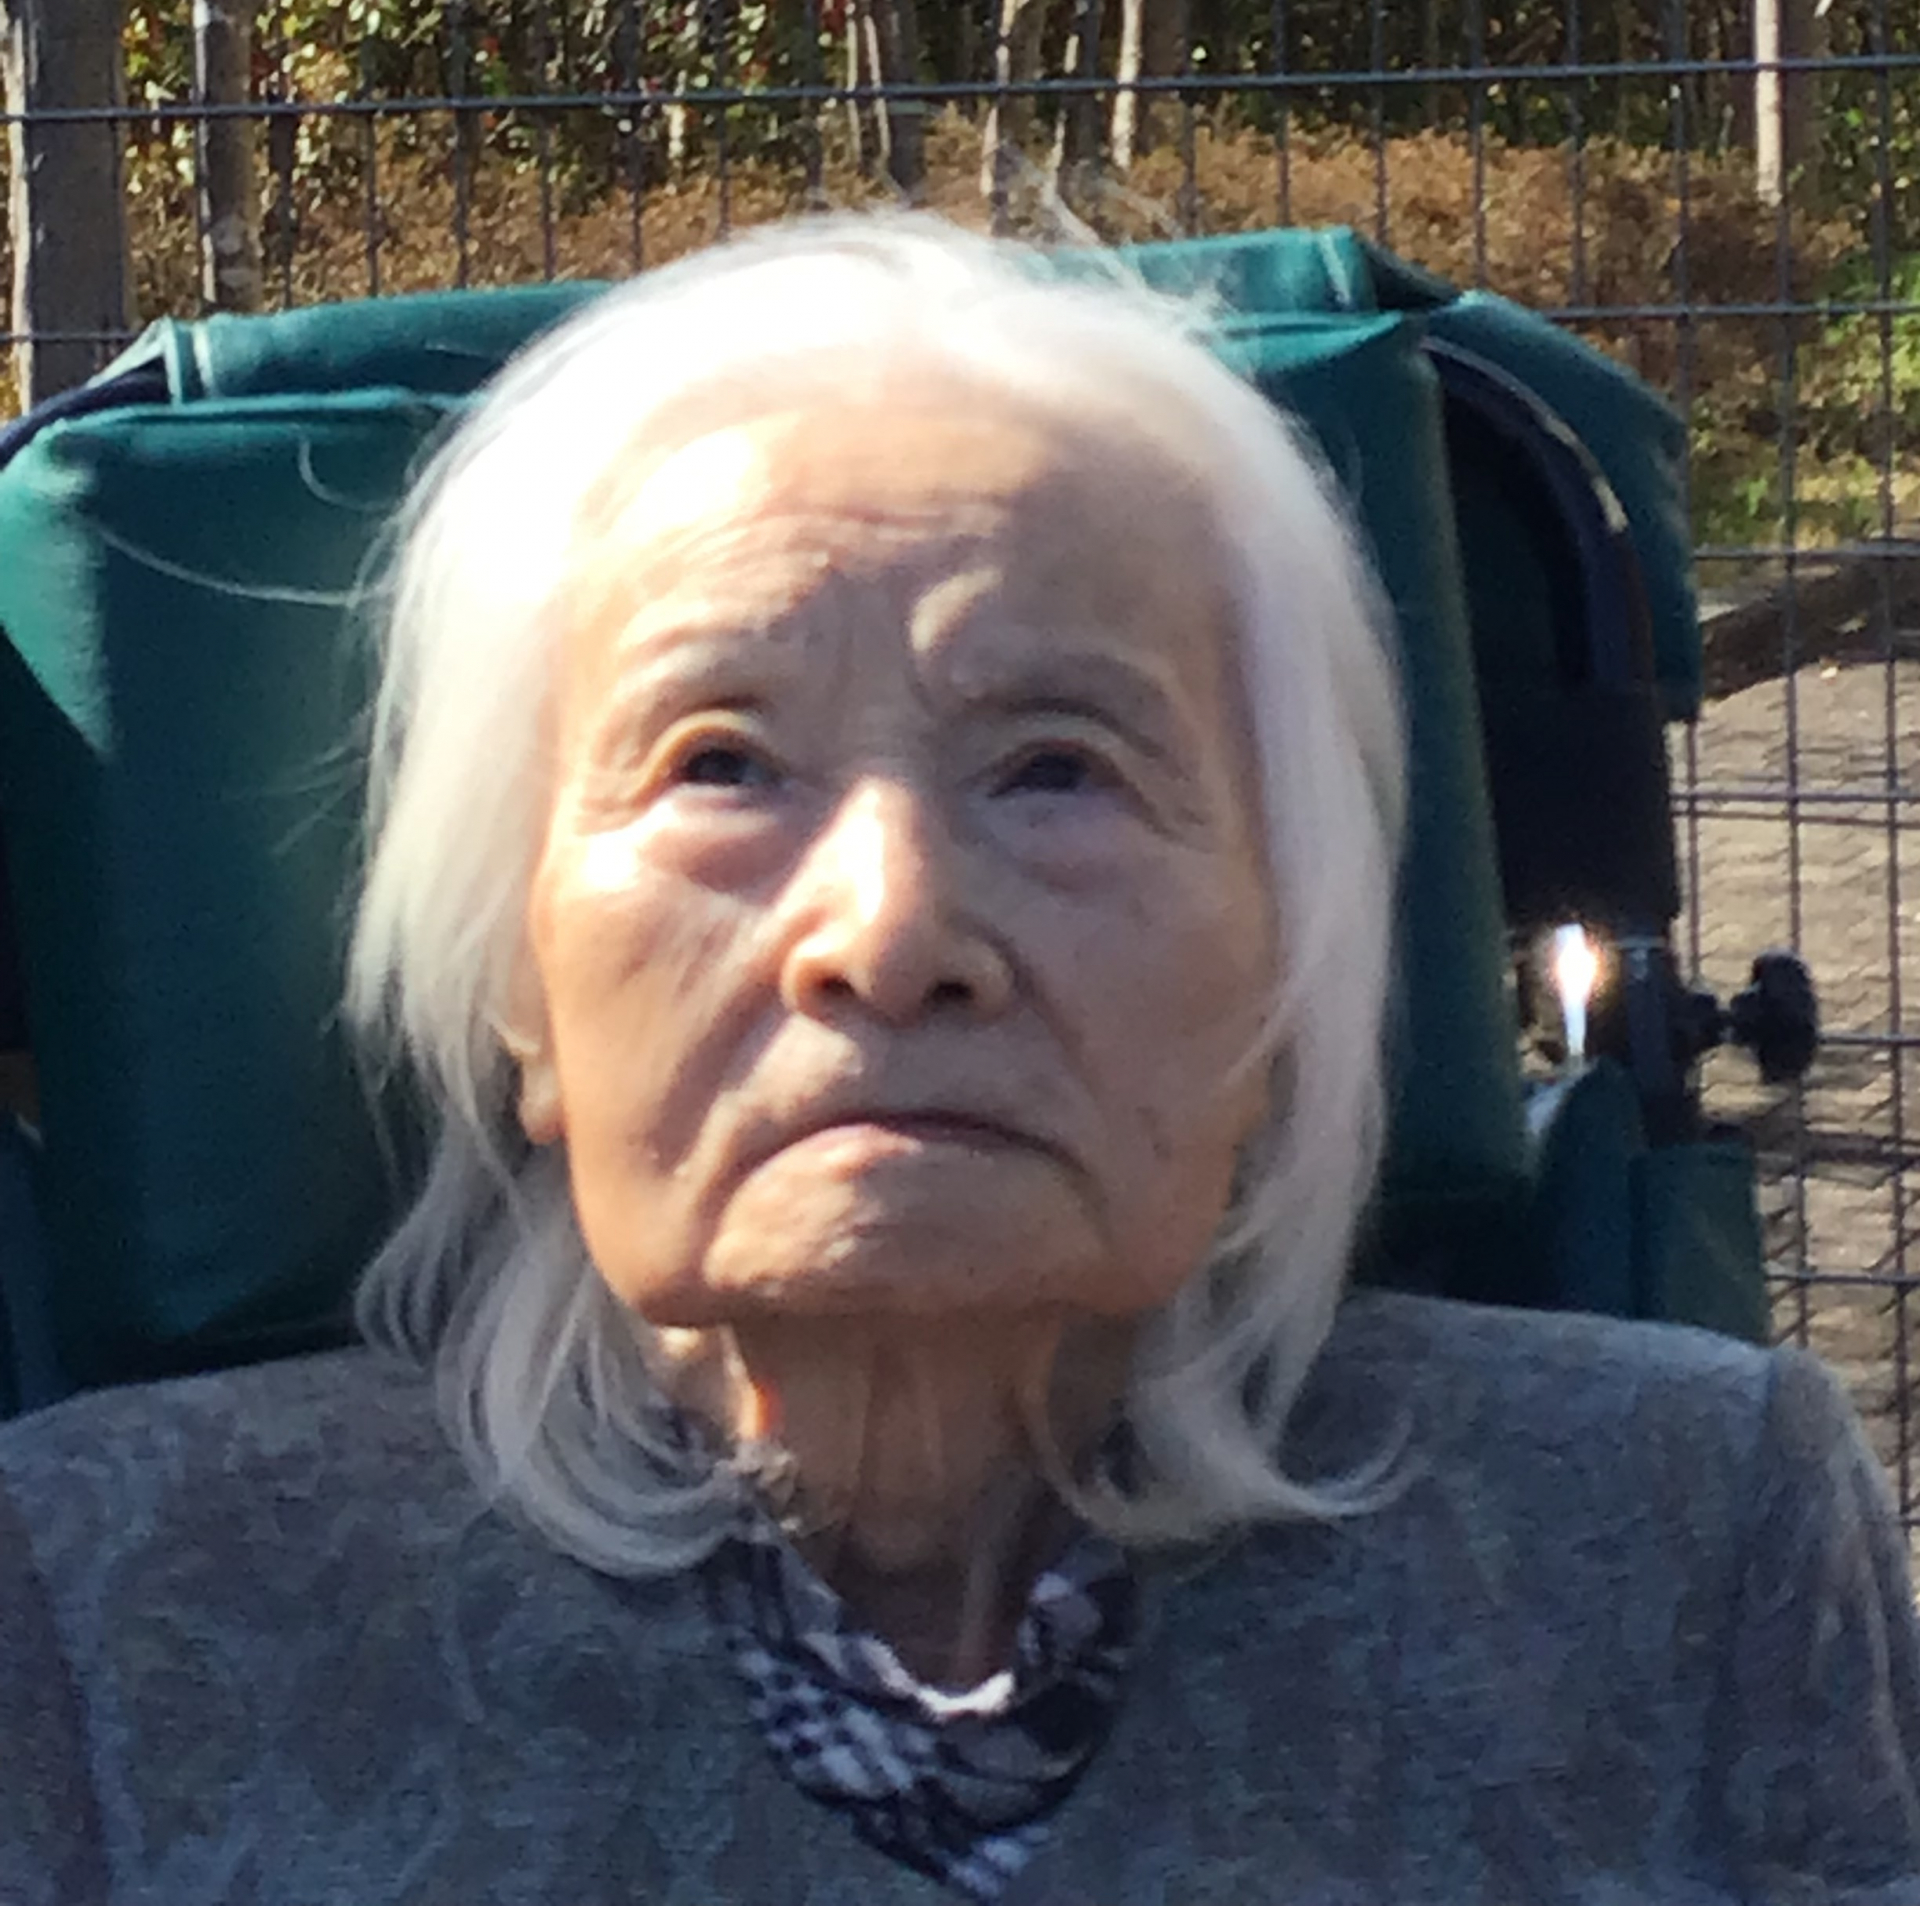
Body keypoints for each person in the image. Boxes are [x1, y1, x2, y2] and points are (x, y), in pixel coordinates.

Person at [1, 216, 1917, 1905]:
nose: (892, 931)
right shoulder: (97, 1609)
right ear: (518, 985)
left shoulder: (1686, 1543)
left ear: (1293, 958)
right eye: (721, 763)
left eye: (1058, 769)